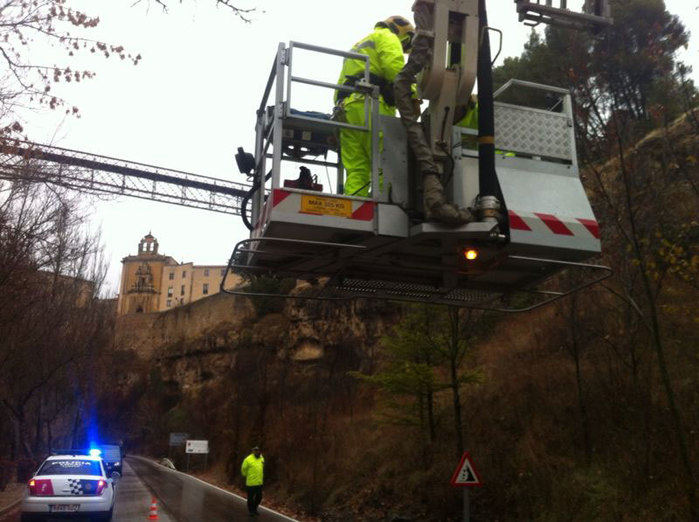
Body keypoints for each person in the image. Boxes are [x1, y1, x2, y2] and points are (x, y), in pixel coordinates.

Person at [335, 15, 415, 197]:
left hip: (346, 108)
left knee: (356, 168)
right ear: (402, 31)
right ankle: (381, 206)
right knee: (383, 161)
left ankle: (356, 208)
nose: (403, 48)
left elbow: (339, 85)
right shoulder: (388, 37)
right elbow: (394, 69)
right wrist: (413, 93)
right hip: (371, 104)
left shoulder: (359, 44)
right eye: (406, 43)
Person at [241, 446, 265, 516]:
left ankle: (254, 509)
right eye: (255, 450)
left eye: (258, 450)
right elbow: (243, 469)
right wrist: (246, 475)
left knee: (259, 497)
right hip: (251, 483)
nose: (256, 452)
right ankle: (251, 511)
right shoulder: (248, 459)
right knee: (250, 498)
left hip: (259, 482)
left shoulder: (262, 458)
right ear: (253, 451)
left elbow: (262, 467)